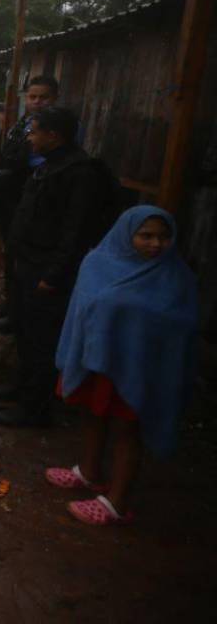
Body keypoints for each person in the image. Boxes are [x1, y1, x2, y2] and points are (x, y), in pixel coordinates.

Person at [48, 206, 198, 525]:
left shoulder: (176, 277)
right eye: (146, 236)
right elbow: (80, 311)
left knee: (129, 431)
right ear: (126, 234)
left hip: (139, 369)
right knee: (92, 415)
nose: (156, 244)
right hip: (97, 363)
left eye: (164, 237)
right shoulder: (97, 263)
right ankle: (89, 472)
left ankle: (117, 501)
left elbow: (181, 328)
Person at [0, 106, 103, 428]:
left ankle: (35, 409)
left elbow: (76, 231)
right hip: (27, 262)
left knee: (43, 339)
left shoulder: (79, 173)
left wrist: (54, 275)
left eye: (35, 131)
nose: (30, 137)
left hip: (46, 270)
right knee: (24, 330)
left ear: (53, 135)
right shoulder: (49, 166)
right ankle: (20, 387)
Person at [0, 76, 60, 332]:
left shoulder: (58, 127)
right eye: (33, 96)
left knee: (22, 257)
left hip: (30, 199)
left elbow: (42, 164)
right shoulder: (23, 124)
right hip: (11, 198)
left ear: (55, 99)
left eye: (44, 97)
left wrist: (12, 175)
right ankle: (9, 304)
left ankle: (18, 315)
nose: (37, 102)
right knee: (9, 249)